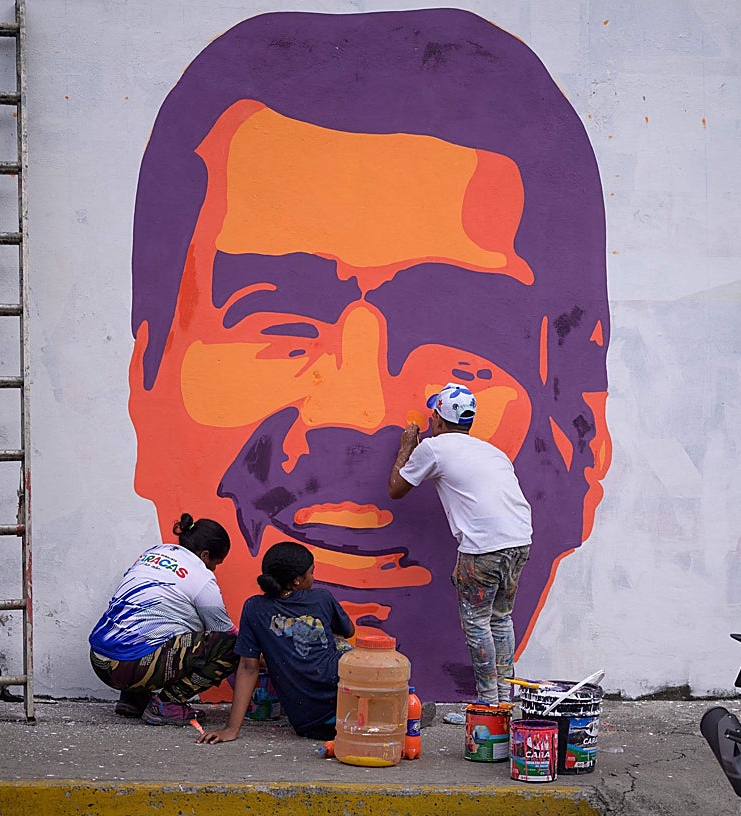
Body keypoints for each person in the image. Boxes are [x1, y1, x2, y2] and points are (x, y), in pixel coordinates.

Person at [128, 9, 611, 699]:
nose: (356, 413)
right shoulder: (484, 456)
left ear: (584, 426)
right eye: (278, 321)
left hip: (479, 553)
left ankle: (493, 697)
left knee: (482, 618)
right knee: (491, 619)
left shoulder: (440, 451)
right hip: (501, 549)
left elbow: (397, 483)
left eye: (461, 332)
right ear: (145, 396)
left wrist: (415, 445)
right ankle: (500, 695)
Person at [388, 383, 532, 706]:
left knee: (477, 621)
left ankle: (488, 704)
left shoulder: (434, 448)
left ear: (438, 419)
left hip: (484, 547)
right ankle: (504, 701)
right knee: (500, 618)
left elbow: (396, 489)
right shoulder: (492, 451)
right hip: (520, 540)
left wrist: (406, 447)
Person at [88, 514, 238, 725]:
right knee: (233, 647)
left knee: (155, 632)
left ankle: (133, 697)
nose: (214, 570)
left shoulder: (154, 553)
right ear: (205, 555)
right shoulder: (202, 577)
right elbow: (223, 631)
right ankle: (168, 704)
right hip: (131, 664)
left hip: (99, 659)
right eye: (215, 564)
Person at [200, 542, 353, 743]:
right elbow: (349, 630)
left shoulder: (254, 607)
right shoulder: (322, 598)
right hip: (350, 716)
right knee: (343, 645)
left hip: (307, 724)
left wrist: (231, 729)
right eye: (311, 573)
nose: (313, 578)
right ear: (297, 581)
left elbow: (247, 667)